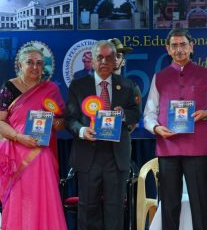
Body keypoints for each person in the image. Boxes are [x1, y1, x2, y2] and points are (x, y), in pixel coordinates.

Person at [144, 28, 207, 229]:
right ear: (168, 49)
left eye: (183, 45)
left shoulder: (205, 74)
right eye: (174, 45)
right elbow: (148, 113)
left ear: (191, 47)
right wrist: (156, 128)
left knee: (200, 203)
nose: (179, 49)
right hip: (168, 147)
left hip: (197, 148)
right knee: (169, 204)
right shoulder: (159, 77)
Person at [65, 40, 140, 230]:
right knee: (87, 208)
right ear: (93, 60)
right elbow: (70, 119)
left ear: (116, 60)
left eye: (109, 57)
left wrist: (123, 113)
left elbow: (135, 113)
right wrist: (82, 131)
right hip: (88, 155)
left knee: (114, 209)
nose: (104, 61)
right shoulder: (78, 85)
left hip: (116, 157)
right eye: (100, 57)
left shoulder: (127, 85)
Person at [0, 46, 66, 230]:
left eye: (39, 63)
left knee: (42, 197)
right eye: (29, 62)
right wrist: (19, 137)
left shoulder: (50, 89)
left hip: (42, 155)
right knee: (20, 200)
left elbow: (62, 122)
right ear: (20, 64)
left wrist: (55, 123)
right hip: (16, 155)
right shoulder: (9, 87)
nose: (34, 67)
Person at [107, 37, 141, 132]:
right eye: (110, 56)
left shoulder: (132, 88)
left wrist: (123, 134)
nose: (115, 59)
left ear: (123, 62)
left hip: (120, 139)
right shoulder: (93, 85)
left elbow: (136, 116)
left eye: (118, 56)